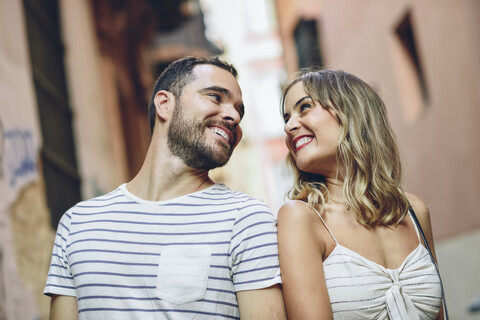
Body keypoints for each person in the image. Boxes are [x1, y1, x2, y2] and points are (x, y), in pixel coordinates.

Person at [44, 56, 286, 320]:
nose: (234, 116)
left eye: (239, 110)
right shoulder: (77, 224)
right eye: (216, 97)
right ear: (164, 104)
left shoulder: (247, 220)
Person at [277, 69, 444, 319]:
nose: (289, 126)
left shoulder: (414, 211)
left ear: (351, 113)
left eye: (305, 107)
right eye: (287, 117)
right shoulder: (302, 219)